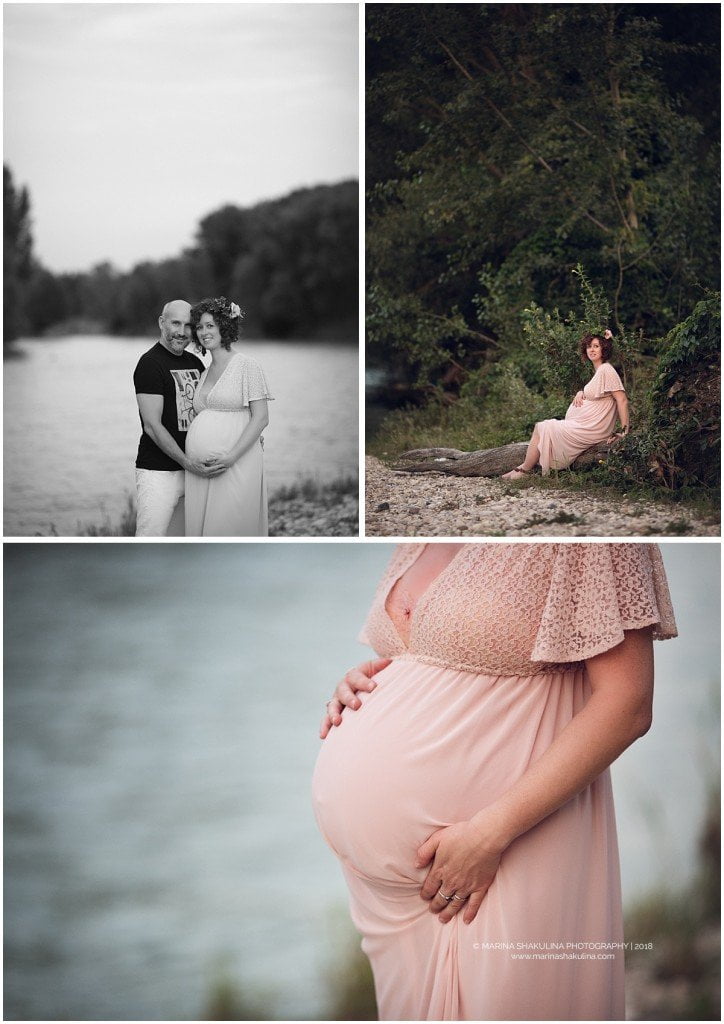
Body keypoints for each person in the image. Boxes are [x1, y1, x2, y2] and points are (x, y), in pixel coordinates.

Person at [312, 542, 677, 1021]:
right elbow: (427, 654)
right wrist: (369, 681)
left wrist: (489, 834)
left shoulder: (590, 538)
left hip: (499, 851)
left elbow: (627, 704)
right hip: (389, 904)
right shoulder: (424, 524)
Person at [133, 299, 225, 536]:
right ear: (162, 323)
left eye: (188, 325)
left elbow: (210, 412)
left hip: (194, 472)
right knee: (150, 539)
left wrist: (242, 435)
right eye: (176, 323)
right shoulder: (149, 364)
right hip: (159, 473)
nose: (182, 332)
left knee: (186, 541)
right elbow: (152, 426)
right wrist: (187, 462)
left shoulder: (195, 362)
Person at [184, 296, 273, 536]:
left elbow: (261, 417)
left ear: (225, 326)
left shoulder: (247, 365)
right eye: (199, 327)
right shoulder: (204, 371)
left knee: (229, 524)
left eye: (210, 325)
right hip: (200, 472)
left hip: (236, 463)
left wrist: (231, 457)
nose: (203, 332)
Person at [501, 329, 629, 479]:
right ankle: (523, 468)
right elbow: (598, 394)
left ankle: (525, 470)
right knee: (542, 427)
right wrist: (581, 392)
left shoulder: (606, 369)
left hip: (593, 428)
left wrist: (625, 432)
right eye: (589, 346)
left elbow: (622, 400)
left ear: (604, 349)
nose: (591, 350)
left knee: (542, 427)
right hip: (585, 425)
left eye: (596, 346)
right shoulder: (600, 371)